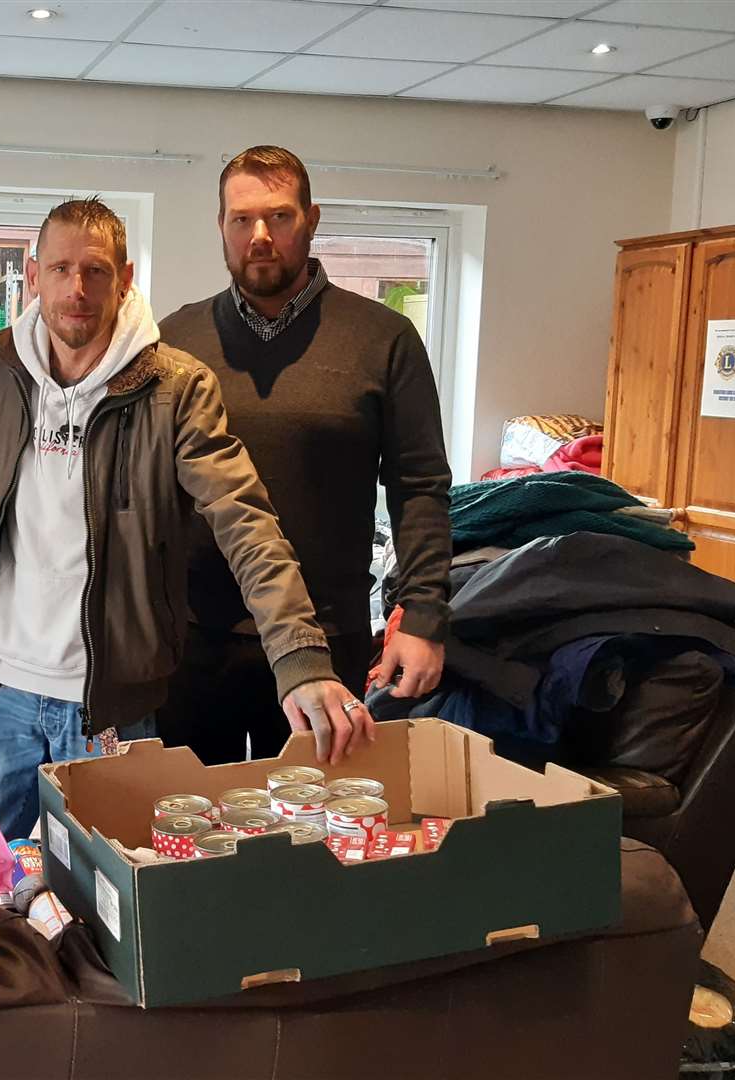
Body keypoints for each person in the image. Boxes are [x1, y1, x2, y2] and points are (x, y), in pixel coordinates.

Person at [0, 198, 373, 842]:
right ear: (32, 275)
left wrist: (301, 657)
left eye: (95, 271)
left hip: (112, 707)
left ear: (126, 277)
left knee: (109, 894)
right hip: (3, 692)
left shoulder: (175, 387)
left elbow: (244, 521)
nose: (76, 289)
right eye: (59, 269)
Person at [158, 145, 452, 765]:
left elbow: (420, 486)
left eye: (280, 217)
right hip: (191, 640)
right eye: (241, 219)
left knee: (311, 834)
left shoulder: (384, 339)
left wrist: (423, 614)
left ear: (311, 220)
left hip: (326, 637)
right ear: (221, 227)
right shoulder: (175, 341)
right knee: (184, 838)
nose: (260, 236)